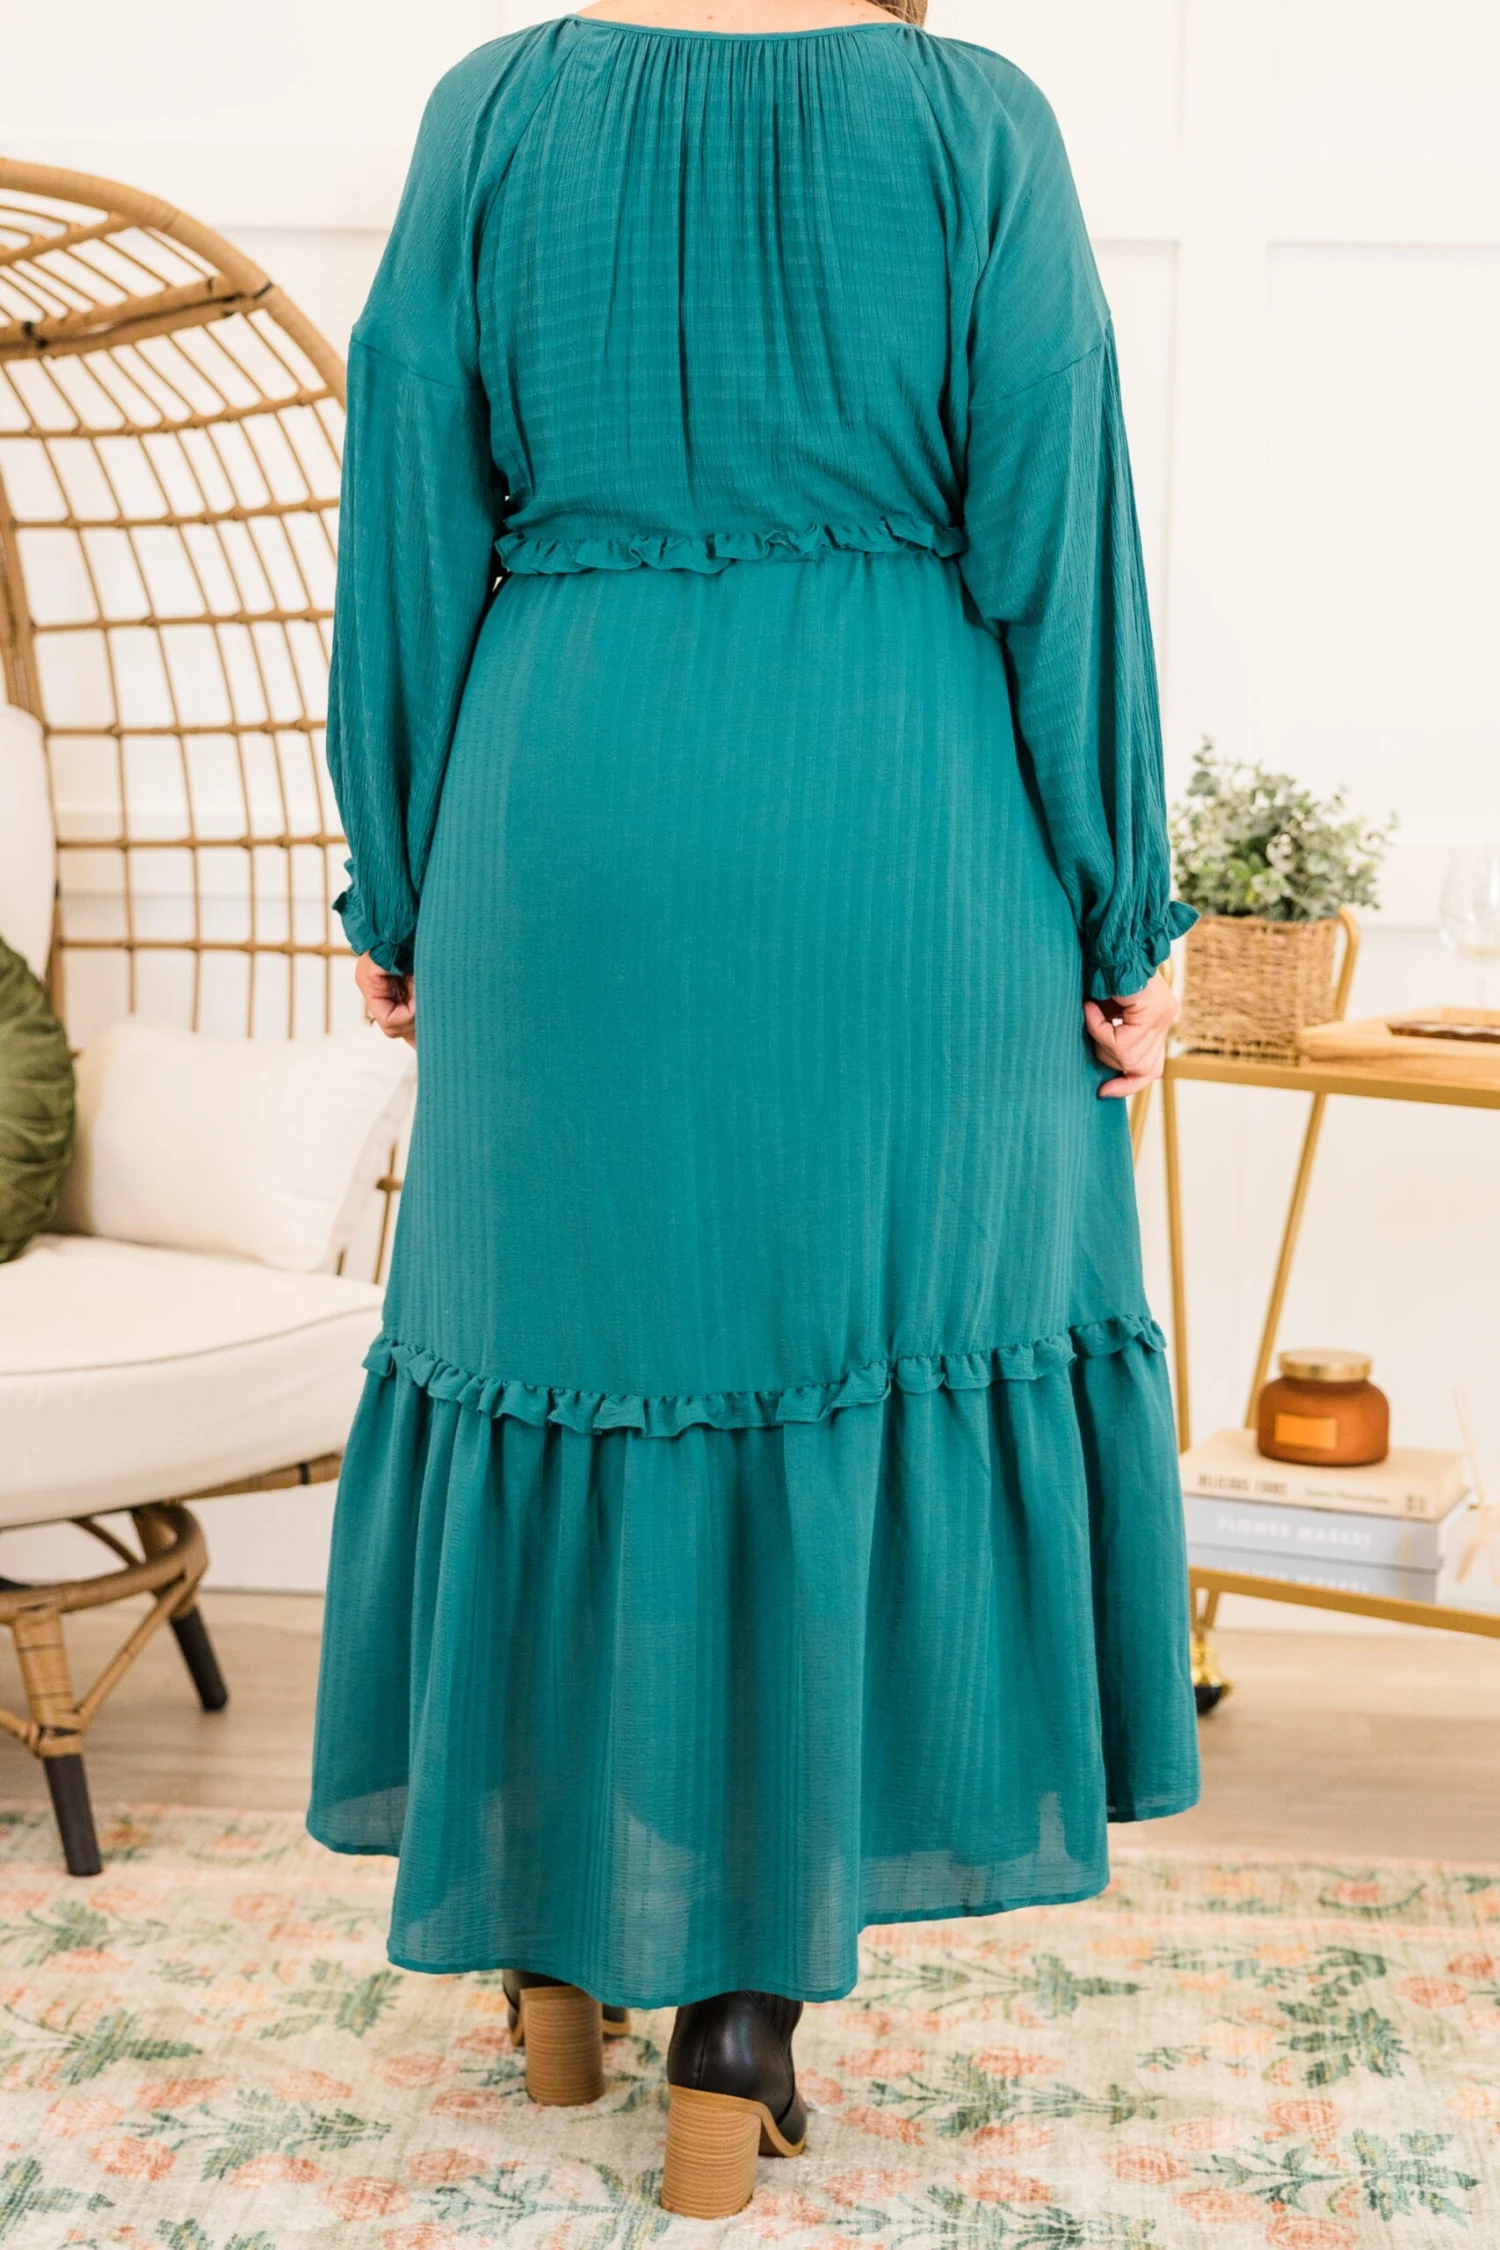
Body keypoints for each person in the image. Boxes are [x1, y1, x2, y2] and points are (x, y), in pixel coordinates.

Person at [307, 0, 1201, 2218]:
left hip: (564, 817)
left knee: (575, 1359)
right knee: (835, 1368)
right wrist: (1124, 910)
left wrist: (398, 874)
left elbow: (406, 499)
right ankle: (739, 2019)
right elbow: (1060, 529)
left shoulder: (496, 111)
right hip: (900, 831)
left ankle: (548, 1949)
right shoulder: (971, 121)